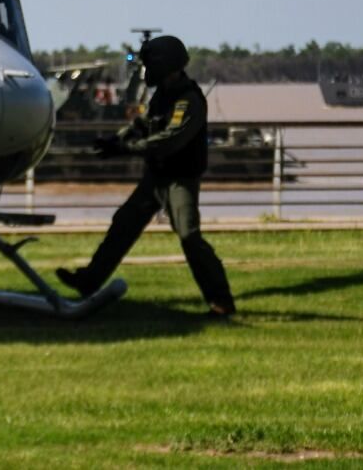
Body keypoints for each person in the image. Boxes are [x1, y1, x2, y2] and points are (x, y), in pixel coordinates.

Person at [56, 35, 237, 316]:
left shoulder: (188, 100)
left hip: (179, 179)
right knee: (123, 224)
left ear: (166, 66)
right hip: (157, 176)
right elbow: (143, 124)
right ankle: (88, 282)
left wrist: (125, 149)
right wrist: (115, 140)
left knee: (189, 236)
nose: (145, 72)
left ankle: (221, 301)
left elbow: (169, 139)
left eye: (149, 66)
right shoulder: (164, 94)